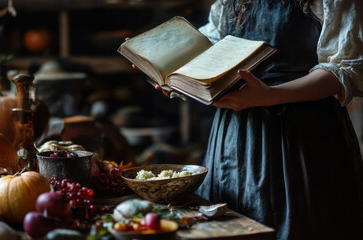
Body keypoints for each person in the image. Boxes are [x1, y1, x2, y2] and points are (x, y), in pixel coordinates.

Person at [151, 0, 363, 239]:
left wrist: (270, 95)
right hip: (234, 134)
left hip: (301, 133)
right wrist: (169, 69)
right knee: (230, 224)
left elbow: (347, 68)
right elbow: (211, 46)